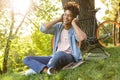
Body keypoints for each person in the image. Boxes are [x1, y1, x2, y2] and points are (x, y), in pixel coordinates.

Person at [23, 1, 87, 75]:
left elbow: (82, 38)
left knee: (59, 54)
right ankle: (48, 70)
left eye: (69, 15)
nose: (66, 17)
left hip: (69, 57)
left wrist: (74, 23)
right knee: (27, 59)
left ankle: (37, 71)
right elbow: (43, 29)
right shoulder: (58, 27)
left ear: (74, 18)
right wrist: (58, 19)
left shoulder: (74, 30)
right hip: (54, 57)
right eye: (65, 14)